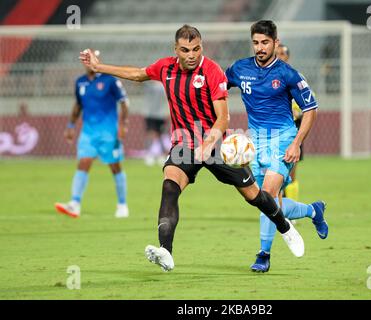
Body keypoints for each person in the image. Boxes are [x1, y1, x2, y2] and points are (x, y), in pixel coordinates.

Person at [78, 24, 304, 272]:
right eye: (185, 50)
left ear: (201, 47)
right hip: (184, 144)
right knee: (169, 186)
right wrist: (98, 67)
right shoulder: (165, 67)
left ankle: (284, 226)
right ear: (176, 49)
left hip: (216, 144)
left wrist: (208, 143)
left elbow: (223, 118)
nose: (191, 55)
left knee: (254, 196)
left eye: (196, 49)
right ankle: (166, 251)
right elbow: (137, 74)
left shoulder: (213, 71)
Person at [225, 20, 329, 273]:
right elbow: (216, 90)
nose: (260, 48)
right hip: (255, 142)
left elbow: (311, 109)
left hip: (283, 139)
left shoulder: (287, 74)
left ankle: (264, 255)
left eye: (265, 43)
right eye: (256, 43)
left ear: (275, 42)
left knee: (268, 195)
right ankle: (312, 211)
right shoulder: (240, 69)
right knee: (268, 204)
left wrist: (296, 143)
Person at [55, 50, 130, 219]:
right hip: (88, 132)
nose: (89, 62)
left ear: (97, 60)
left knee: (115, 167)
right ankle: (74, 203)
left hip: (109, 133)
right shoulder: (80, 82)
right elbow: (78, 105)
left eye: (92, 59)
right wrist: (71, 125)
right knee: (83, 163)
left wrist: (123, 124)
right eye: (86, 60)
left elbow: (124, 102)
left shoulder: (110, 80)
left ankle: (122, 204)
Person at [277, 44, 302, 201]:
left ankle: (291, 208)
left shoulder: (296, 77)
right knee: (272, 171)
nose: (279, 56)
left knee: (291, 172)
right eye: (277, 53)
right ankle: (277, 208)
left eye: (282, 53)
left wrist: (297, 112)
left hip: (293, 130)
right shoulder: (266, 76)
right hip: (273, 131)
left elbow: (308, 104)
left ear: (288, 56)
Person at [143, 80, 171, 166]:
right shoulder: (149, 85)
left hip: (160, 114)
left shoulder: (163, 86)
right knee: (151, 134)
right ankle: (150, 154)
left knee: (159, 135)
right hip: (150, 113)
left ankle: (160, 155)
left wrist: (167, 112)